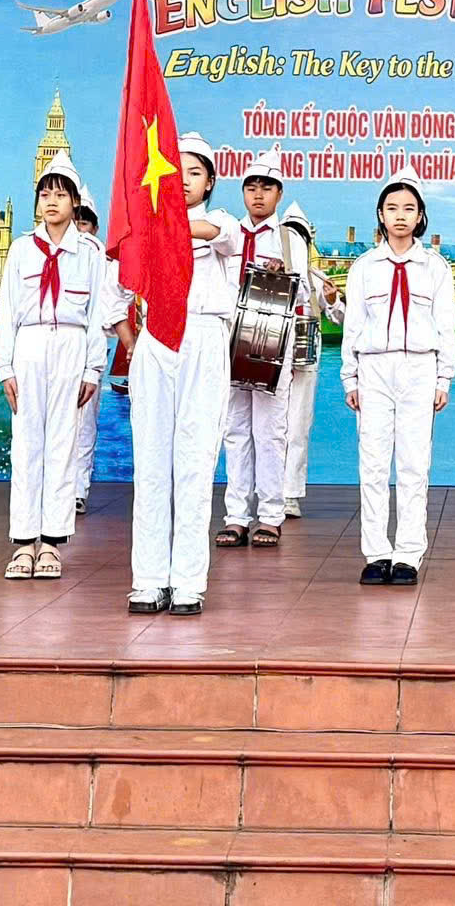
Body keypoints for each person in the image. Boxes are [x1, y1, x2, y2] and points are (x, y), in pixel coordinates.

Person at [126, 130, 241, 616]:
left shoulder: (221, 221)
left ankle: (188, 581)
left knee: (195, 461)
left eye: (195, 173)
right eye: (177, 173)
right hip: (156, 337)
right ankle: (149, 579)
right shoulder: (145, 226)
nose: (186, 181)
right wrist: (134, 341)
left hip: (203, 337)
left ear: (210, 181)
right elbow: (118, 288)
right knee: (152, 461)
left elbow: (221, 236)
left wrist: (165, 224)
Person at [0, 151, 108, 580]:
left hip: (71, 346)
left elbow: (97, 313)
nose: (52, 202)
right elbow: (7, 311)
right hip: (30, 344)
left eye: (61, 195)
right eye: (45, 194)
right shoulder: (22, 249)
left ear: (75, 202)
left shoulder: (90, 253)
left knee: (63, 443)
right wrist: (5, 367)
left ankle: (53, 543)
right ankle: (24, 542)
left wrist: (93, 369)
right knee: (26, 444)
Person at [340, 170, 455, 586]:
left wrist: (443, 378)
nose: (400, 215)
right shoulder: (364, 267)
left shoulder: (436, 268)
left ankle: (407, 554)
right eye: (392, 208)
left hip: (419, 368)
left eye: (409, 208)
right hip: (374, 368)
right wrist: (350, 378)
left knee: (413, 464)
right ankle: (376, 553)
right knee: (372, 464)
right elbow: (353, 326)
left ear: (421, 216)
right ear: (380, 215)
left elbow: (446, 327)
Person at [217, 149, 294, 550]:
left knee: (270, 433)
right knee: (234, 431)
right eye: (251, 187)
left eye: (267, 187)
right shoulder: (227, 233)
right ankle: (236, 515)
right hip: (228, 342)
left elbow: (302, 298)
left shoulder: (289, 239)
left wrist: (280, 276)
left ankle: (271, 514)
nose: (258, 195)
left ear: (279, 193)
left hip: (271, 346)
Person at [280, 201, 331, 519]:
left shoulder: (315, 277)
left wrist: (333, 299)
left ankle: (290, 493)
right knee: (270, 425)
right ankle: (267, 490)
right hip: (274, 351)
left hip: (306, 354)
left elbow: (338, 314)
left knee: (298, 424)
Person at [69, 200, 108, 514]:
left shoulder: (100, 258)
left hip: (87, 350)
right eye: (75, 222)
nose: (79, 229)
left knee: (83, 424)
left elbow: (103, 312)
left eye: (84, 224)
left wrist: (93, 365)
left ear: (94, 228)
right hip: (54, 351)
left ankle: (78, 489)